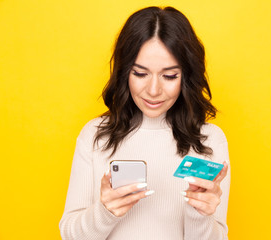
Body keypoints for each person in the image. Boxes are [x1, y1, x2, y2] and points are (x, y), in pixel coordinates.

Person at [59, 6, 230, 240]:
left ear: (187, 76)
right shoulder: (94, 135)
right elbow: (70, 235)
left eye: (169, 76)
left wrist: (199, 215)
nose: (153, 90)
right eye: (140, 73)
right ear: (124, 72)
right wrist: (105, 212)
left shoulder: (210, 139)